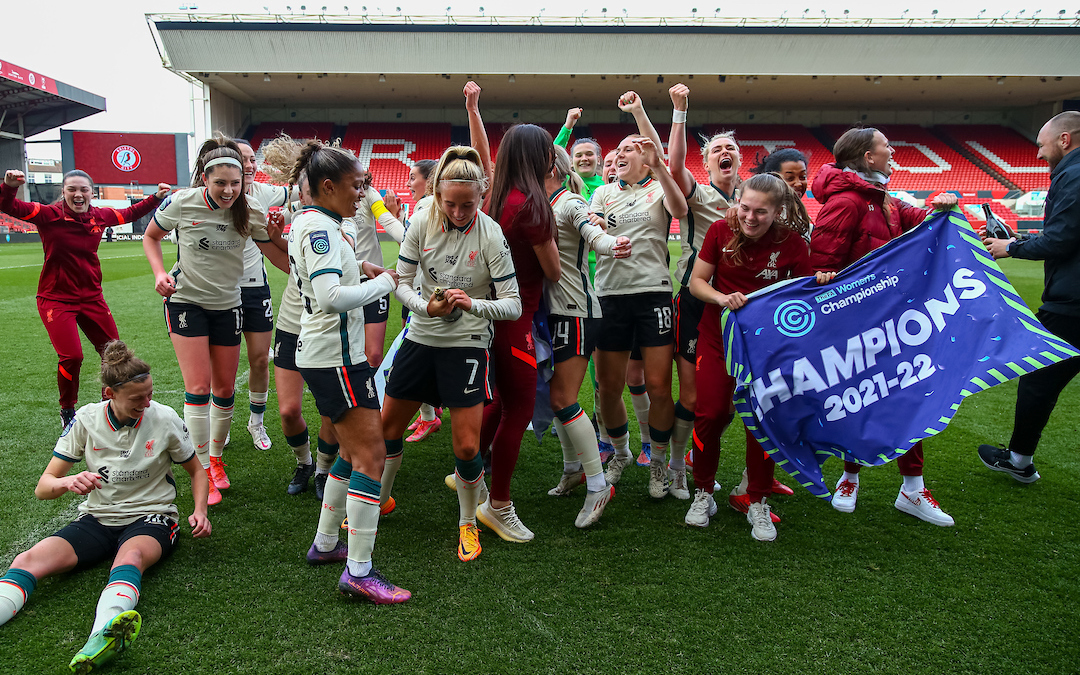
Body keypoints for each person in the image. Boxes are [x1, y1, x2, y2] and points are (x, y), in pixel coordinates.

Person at [0, 340, 210, 671]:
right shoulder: (85, 419)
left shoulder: (164, 418)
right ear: (109, 394)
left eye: (149, 393)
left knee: (131, 557)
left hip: (152, 517)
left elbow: (198, 472)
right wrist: (67, 482)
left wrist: (200, 510)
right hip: (98, 518)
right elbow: (44, 488)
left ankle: (103, 636)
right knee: (28, 560)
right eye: (137, 398)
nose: (147, 402)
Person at [380, 144, 522, 561]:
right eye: (450, 203)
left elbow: (512, 303)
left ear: (481, 194)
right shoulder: (421, 221)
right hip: (420, 336)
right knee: (388, 429)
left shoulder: (491, 232)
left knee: (465, 447)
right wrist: (426, 307)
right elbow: (401, 281)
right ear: (437, 195)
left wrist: (471, 304)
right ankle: (381, 499)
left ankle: (467, 523)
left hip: (467, 343)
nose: (459, 212)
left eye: (468, 204)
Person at [810, 126, 957, 525]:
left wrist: (942, 204)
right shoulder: (845, 202)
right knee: (858, 399)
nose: (892, 151)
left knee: (906, 396)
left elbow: (920, 218)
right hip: (855, 326)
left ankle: (912, 488)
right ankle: (848, 477)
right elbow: (820, 268)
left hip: (891, 320)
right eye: (885, 147)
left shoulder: (883, 199)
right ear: (868, 158)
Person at [288, 140, 409, 603]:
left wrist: (359, 267)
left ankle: (325, 545)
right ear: (327, 186)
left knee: (348, 451)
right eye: (356, 186)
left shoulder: (321, 223)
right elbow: (328, 297)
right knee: (372, 457)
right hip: (334, 357)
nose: (361, 194)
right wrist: (380, 282)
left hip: (334, 355)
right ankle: (360, 570)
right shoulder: (319, 228)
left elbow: (329, 273)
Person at [142, 135, 290, 506]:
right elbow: (151, 236)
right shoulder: (182, 202)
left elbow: (275, 255)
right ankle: (203, 468)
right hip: (186, 303)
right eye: (220, 183)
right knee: (199, 387)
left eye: (235, 183)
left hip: (229, 304)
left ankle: (218, 459)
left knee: (224, 390)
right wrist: (160, 273)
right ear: (205, 179)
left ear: (243, 183)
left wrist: (291, 254)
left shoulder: (250, 209)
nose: (228, 191)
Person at [685, 173, 817, 541]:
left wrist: (820, 282)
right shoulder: (718, 231)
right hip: (718, 338)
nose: (750, 217)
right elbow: (697, 283)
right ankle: (703, 491)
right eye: (744, 208)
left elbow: (802, 295)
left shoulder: (791, 243)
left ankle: (756, 498)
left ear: (777, 211)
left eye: (761, 212)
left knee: (762, 418)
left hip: (767, 346)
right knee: (709, 412)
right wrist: (722, 299)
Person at [1, 170, 169, 427]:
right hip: (55, 299)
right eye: (72, 190)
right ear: (64, 192)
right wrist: (9, 186)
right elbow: (9, 206)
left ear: (92, 192)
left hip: (92, 298)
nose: (78, 194)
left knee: (115, 353)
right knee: (72, 356)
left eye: (83, 190)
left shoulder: (99, 216)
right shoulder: (49, 214)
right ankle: (68, 409)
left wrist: (155, 197)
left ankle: (109, 404)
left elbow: (130, 213)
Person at [469, 92, 561, 542]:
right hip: (516, 318)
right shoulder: (531, 205)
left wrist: (474, 111)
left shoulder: (494, 196)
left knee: (501, 401)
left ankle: (467, 471)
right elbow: (554, 270)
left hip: (489, 318)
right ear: (540, 158)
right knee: (519, 408)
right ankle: (498, 504)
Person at [590, 93, 689, 500]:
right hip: (610, 296)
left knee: (659, 387)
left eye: (632, 148)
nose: (622, 153)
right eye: (619, 150)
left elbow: (680, 209)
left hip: (652, 295)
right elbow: (592, 233)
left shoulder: (657, 189)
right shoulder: (603, 194)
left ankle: (661, 463)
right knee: (607, 389)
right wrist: (601, 235)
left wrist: (659, 167)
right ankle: (620, 452)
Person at [978, 111, 1080, 482]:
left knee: (1040, 376)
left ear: (1065, 140)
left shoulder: (1073, 174)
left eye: (1041, 145)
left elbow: (1062, 239)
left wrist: (1011, 247)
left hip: (1072, 303)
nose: (1038, 154)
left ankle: (1019, 461)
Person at [666, 83, 744, 499]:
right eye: (716, 149)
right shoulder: (700, 194)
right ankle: (680, 464)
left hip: (742, 304)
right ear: (707, 161)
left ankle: (698, 456)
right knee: (694, 396)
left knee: (727, 403)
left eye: (729, 148)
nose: (723, 153)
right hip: (697, 300)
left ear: (740, 160)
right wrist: (680, 112)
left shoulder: (753, 198)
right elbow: (674, 166)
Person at [545, 144, 629, 527]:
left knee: (563, 398)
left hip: (576, 311)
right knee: (556, 397)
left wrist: (612, 244)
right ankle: (574, 470)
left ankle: (598, 484)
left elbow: (592, 231)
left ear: (552, 167)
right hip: (554, 311)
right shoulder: (544, 201)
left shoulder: (569, 201)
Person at [235, 137, 297, 451]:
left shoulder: (262, 192)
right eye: (242, 158)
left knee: (260, 360)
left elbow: (298, 192)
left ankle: (256, 423)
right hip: (218, 290)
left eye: (251, 160)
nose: (249, 165)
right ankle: (217, 422)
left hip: (254, 287)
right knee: (223, 365)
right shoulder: (210, 198)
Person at [385, 159, 445, 442]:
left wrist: (389, 217)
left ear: (429, 179)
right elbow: (411, 249)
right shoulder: (426, 205)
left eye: (412, 178)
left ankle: (429, 416)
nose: (408, 184)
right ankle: (428, 413)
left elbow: (409, 242)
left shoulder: (427, 205)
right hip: (418, 289)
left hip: (423, 292)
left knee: (409, 359)